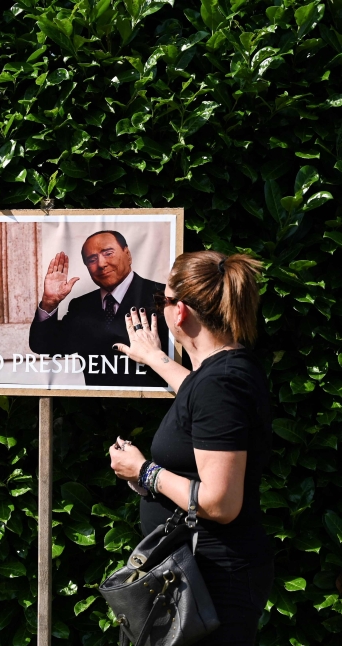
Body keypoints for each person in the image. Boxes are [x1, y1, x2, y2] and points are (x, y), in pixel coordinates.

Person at [108, 251, 273, 646]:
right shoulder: (225, 371)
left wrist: (144, 471)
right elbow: (201, 400)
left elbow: (220, 503)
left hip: (212, 583)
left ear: (179, 312)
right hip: (204, 578)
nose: (159, 309)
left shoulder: (221, 384)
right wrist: (156, 358)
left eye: (160, 301)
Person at [28, 230, 170, 387]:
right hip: (96, 407)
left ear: (128, 254)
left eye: (108, 253)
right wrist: (49, 302)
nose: (101, 264)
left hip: (153, 405)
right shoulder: (81, 305)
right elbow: (45, 346)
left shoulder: (163, 296)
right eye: (92, 259)